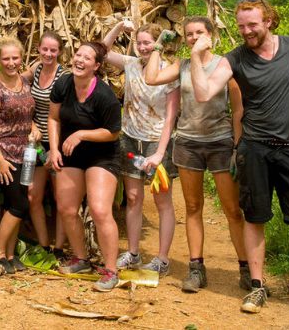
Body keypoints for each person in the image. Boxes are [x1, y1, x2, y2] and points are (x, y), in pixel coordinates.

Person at [188, 0, 289, 313]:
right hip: (254, 148)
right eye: (241, 26)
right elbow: (203, 93)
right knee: (255, 218)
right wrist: (195, 56)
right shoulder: (236, 58)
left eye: (252, 25)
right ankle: (257, 286)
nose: (246, 31)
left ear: (269, 21)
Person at [144, 16, 246, 294]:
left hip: (220, 141)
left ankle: (246, 268)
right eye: (189, 34)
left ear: (210, 35)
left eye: (199, 32)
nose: (193, 38)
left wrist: (237, 147)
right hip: (188, 142)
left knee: (232, 209)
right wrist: (158, 45)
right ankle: (196, 268)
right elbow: (151, 78)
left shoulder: (224, 65)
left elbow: (238, 109)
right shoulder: (183, 65)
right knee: (192, 207)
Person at [102, 20, 180, 277]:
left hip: (157, 140)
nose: (143, 47)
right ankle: (133, 253)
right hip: (130, 138)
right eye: (140, 42)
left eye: (148, 43)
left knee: (162, 200)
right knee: (134, 198)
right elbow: (102, 51)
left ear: (158, 45)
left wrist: (159, 152)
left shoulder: (169, 71)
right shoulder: (131, 64)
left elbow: (171, 117)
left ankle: (162, 259)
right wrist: (118, 27)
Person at [48, 42, 122, 292]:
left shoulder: (104, 96)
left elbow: (113, 132)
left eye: (87, 58)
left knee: (100, 210)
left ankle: (111, 270)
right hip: (71, 154)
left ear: (96, 66)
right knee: (67, 208)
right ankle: (81, 259)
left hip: (102, 155)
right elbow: (53, 118)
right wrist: (54, 149)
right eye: (78, 54)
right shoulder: (63, 84)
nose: (79, 60)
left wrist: (81, 134)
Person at [0, 37, 39, 274]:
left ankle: (10, 253)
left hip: (24, 153)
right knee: (19, 204)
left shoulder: (23, 81)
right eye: (6, 58)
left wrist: (34, 126)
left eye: (15, 57)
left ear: (21, 58)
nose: (11, 62)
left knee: (13, 205)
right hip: (4, 154)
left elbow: (27, 112)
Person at [21, 31, 66, 256]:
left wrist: (55, 149)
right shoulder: (36, 69)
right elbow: (15, 82)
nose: (48, 54)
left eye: (53, 50)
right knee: (33, 195)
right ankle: (44, 245)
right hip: (36, 143)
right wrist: (31, 124)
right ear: (38, 49)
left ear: (60, 52)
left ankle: (59, 248)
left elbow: (66, 114)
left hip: (57, 144)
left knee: (61, 198)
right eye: (44, 49)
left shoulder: (64, 77)